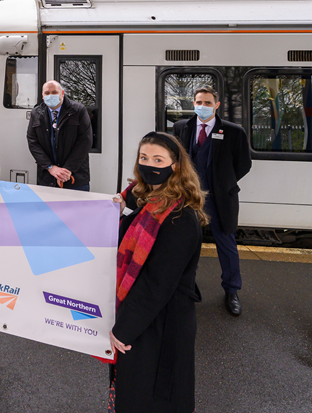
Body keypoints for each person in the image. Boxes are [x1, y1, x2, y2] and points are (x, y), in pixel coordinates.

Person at [108, 132, 207, 413]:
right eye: (143, 158)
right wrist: (117, 203)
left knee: (153, 395)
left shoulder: (181, 218)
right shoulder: (147, 200)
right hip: (144, 317)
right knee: (135, 388)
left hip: (162, 324)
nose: (149, 165)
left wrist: (123, 329)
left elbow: (156, 284)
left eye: (158, 159)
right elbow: (129, 201)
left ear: (175, 166)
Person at [174, 86, 252, 316]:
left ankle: (231, 290)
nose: (203, 106)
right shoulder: (181, 128)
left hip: (220, 201)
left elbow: (244, 164)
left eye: (208, 103)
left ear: (216, 105)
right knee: (187, 244)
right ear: (193, 103)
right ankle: (186, 287)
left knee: (226, 246)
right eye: (199, 102)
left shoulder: (233, 131)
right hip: (188, 198)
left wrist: (224, 183)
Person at [26, 80, 92, 190]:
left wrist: (66, 171)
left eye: (54, 92)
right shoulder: (36, 113)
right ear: (42, 96)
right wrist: (50, 167)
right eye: (47, 93)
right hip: (47, 178)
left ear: (62, 93)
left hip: (75, 178)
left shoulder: (78, 111)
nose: (50, 96)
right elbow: (33, 142)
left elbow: (85, 141)